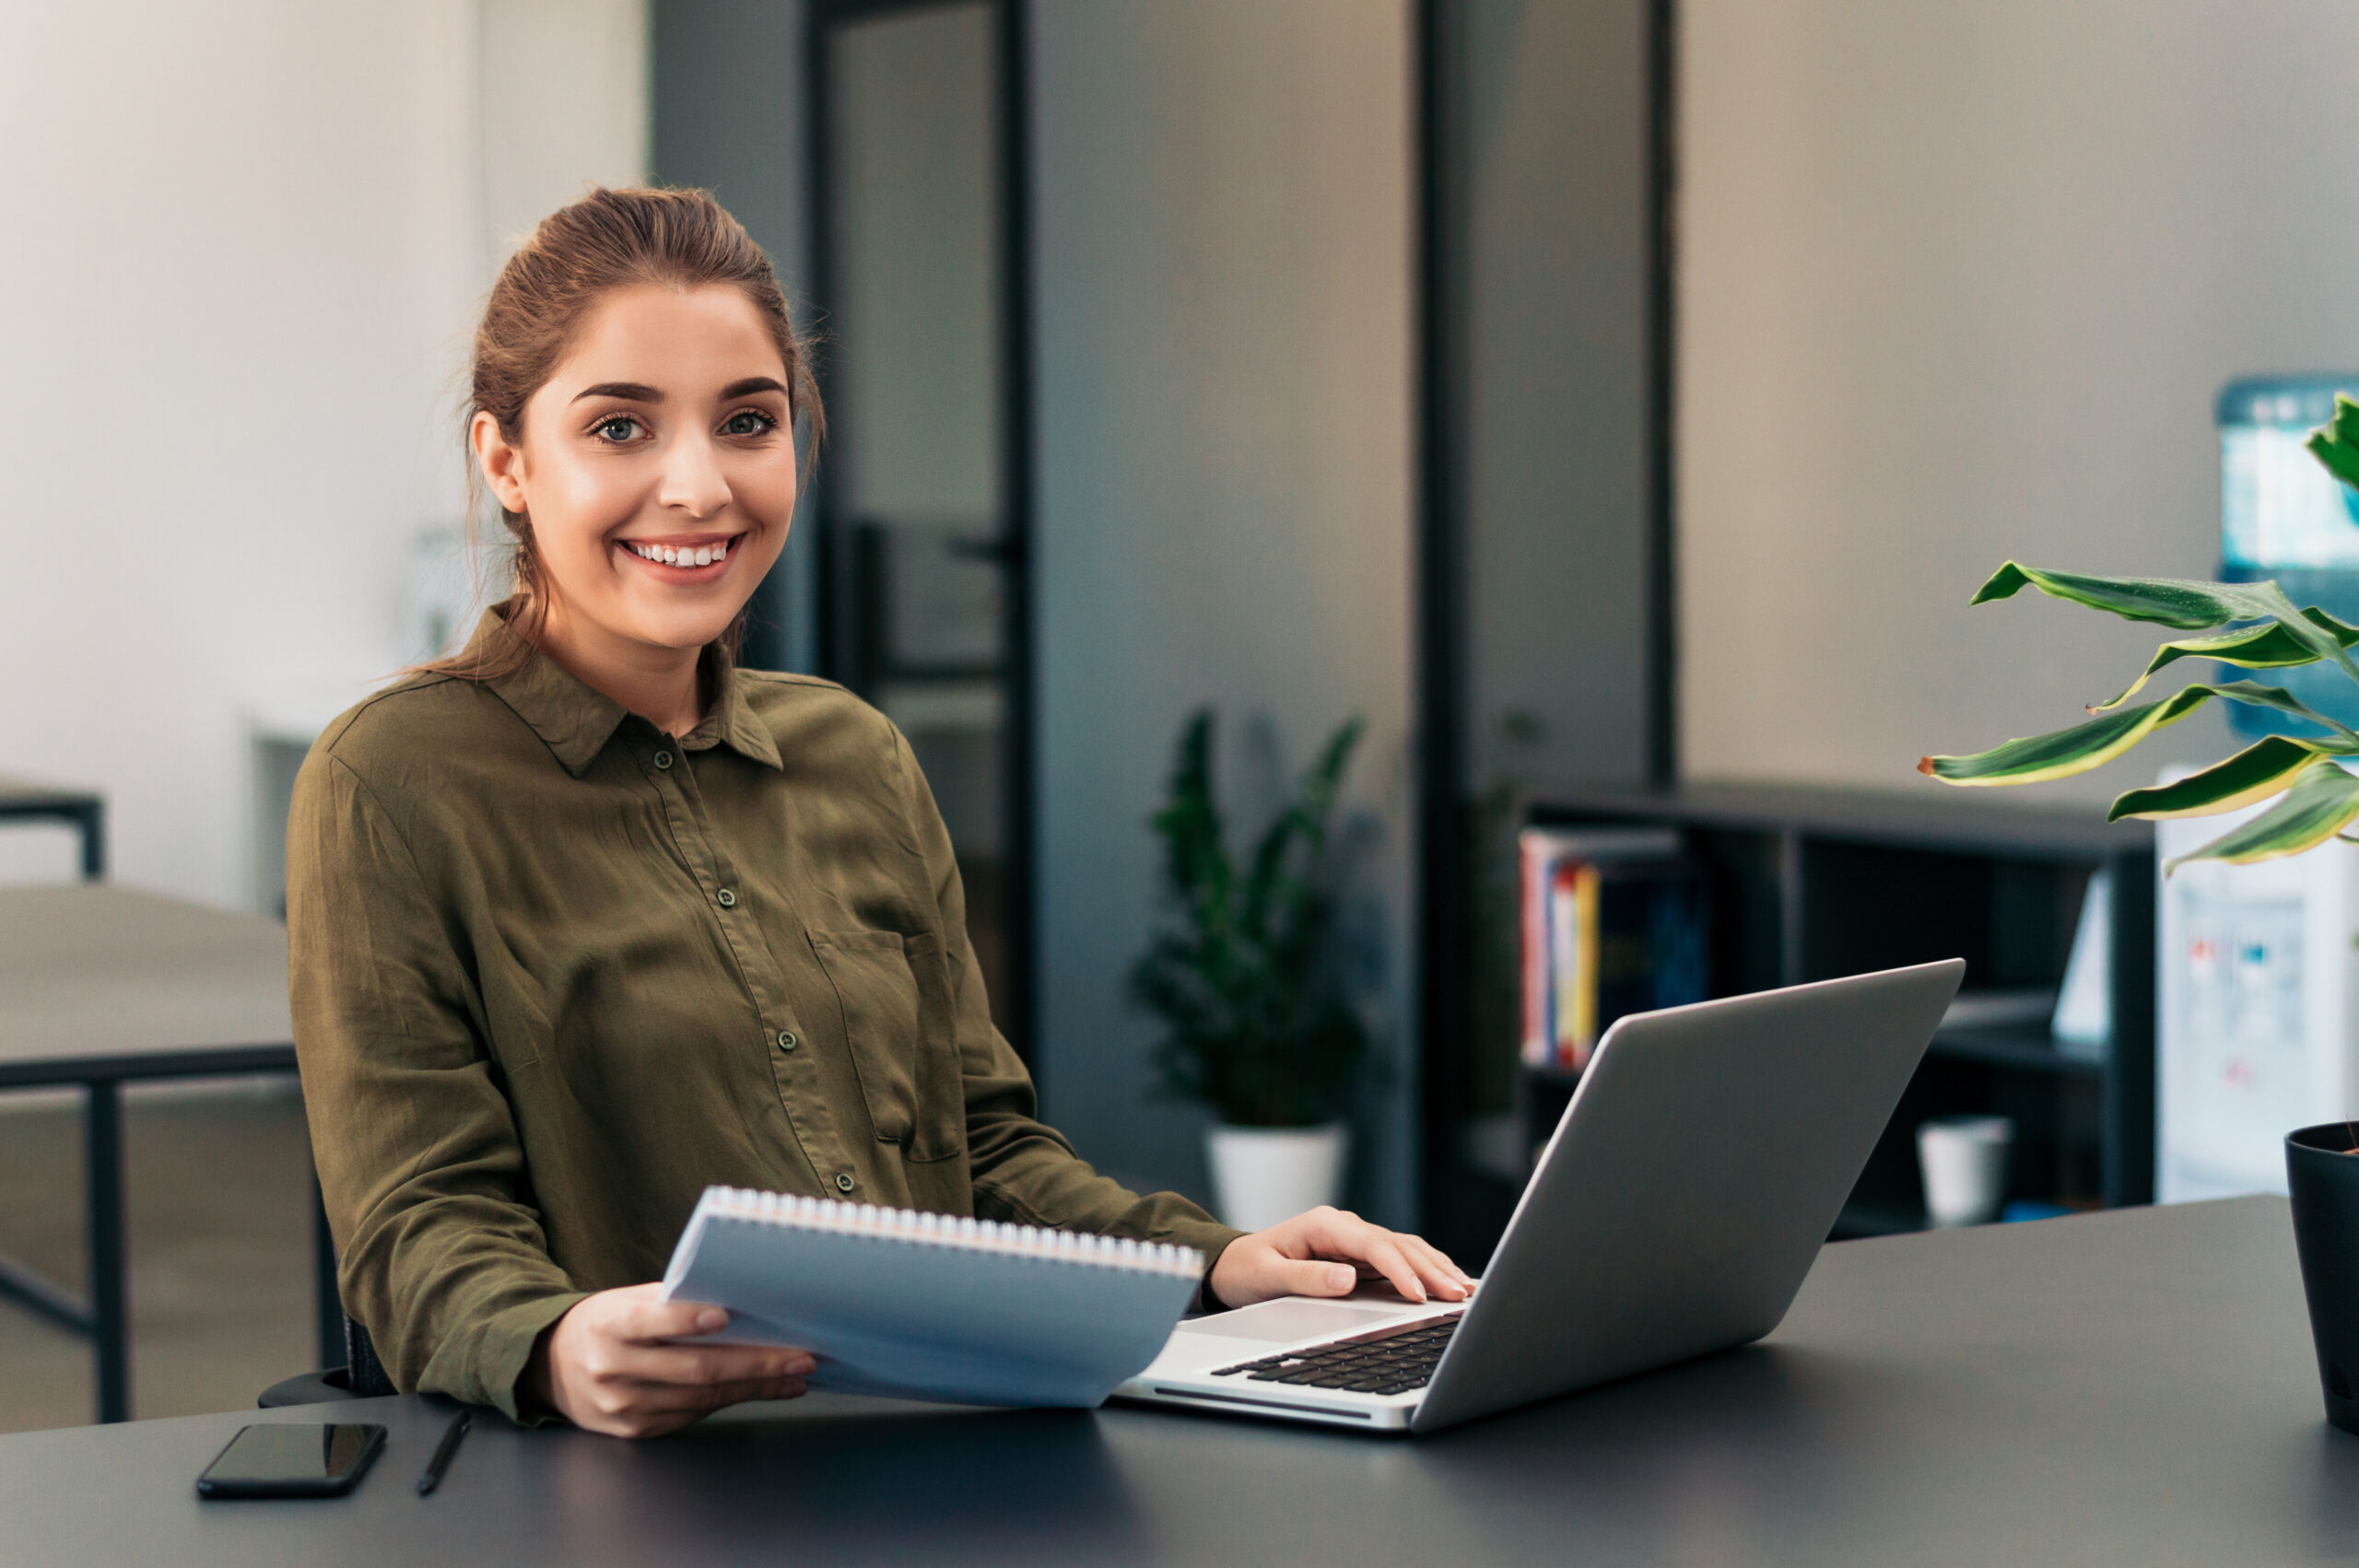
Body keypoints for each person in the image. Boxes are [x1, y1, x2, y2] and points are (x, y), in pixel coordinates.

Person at [288, 186, 1468, 1439]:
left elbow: (984, 1153)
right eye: (621, 426)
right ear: (507, 461)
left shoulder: (853, 754)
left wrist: (1220, 1261)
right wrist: (555, 1342)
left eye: (749, 420)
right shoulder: (389, 783)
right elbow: (418, 1225)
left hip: (945, 1451)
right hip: (638, 1488)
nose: (696, 484)